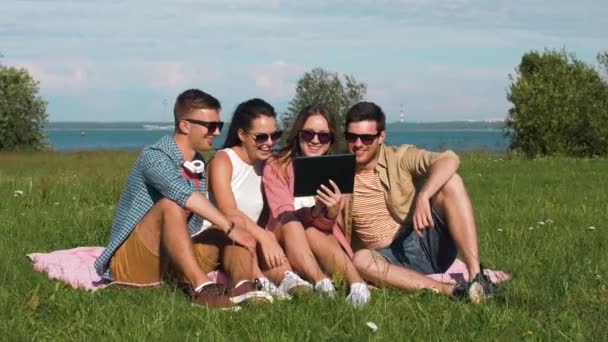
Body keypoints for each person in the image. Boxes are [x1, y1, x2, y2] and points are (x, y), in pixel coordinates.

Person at [94, 89, 272, 310]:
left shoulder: (197, 162)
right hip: (133, 262)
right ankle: (202, 290)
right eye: (210, 126)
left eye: (219, 125)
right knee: (171, 205)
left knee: (228, 234)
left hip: (171, 259)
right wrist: (229, 225)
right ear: (185, 125)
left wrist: (230, 230)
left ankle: (243, 287)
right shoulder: (154, 157)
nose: (216, 132)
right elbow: (181, 193)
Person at [341, 101, 498, 303]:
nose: (358, 144)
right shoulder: (338, 172)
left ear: (381, 137)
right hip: (387, 258)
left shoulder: (399, 158)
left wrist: (424, 195)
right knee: (360, 259)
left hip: (423, 238)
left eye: (366, 138)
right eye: (352, 137)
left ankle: (477, 277)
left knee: (451, 181)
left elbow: (449, 159)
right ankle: (453, 291)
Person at [263, 104, 371, 308]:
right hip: (284, 236)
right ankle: (322, 282)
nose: (315, 141)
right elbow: (282, 212)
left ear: (330, 140)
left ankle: (358, 286)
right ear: (298, 134)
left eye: (323, 136)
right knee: (292, 221)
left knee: (314, 232)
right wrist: (314, 212)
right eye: (308, 134)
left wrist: (329, 214)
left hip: (321, 245)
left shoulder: (338, 170)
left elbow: (330, 229)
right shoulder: (277, 165)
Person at [206, 98, 313, 300]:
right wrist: (264, 237)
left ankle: (289, 279)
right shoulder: (223, 160)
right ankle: (260, 281)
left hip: (251, 240)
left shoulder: (266, 165)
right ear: (241, 135)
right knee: (240, 228)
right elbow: (228, 211)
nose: (270, 143)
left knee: (286, 220)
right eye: (261, 137)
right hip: (222, 238)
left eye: (275, 135)